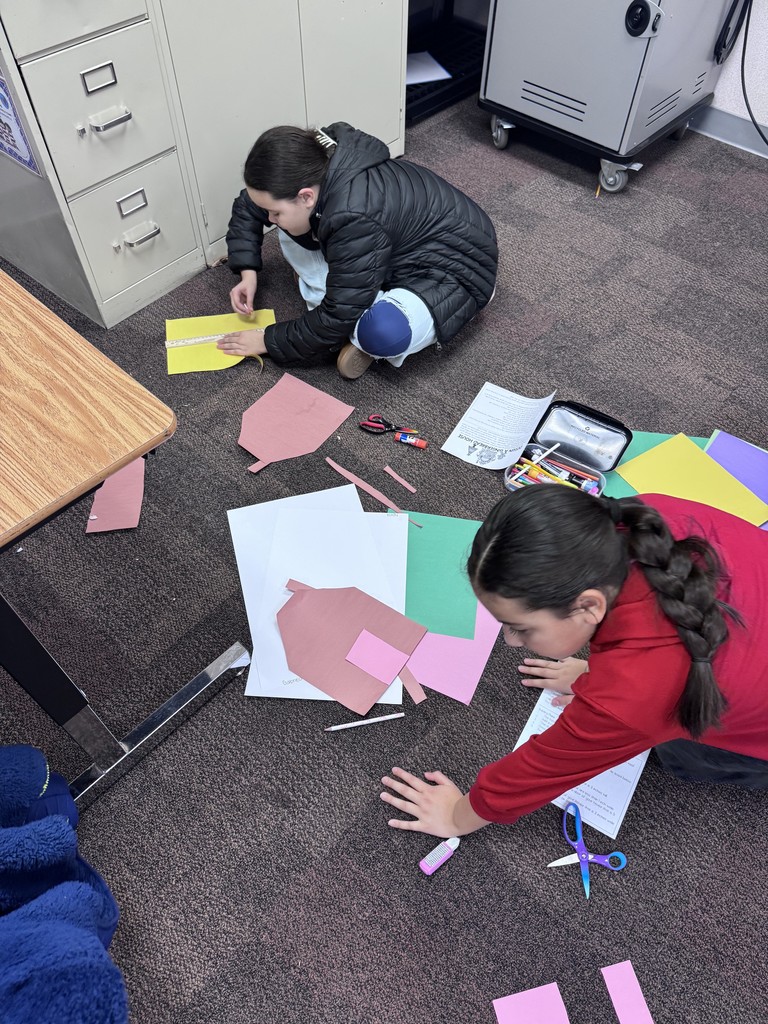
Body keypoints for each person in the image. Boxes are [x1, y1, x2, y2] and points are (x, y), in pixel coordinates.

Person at [380, 487, 768, 838]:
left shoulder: (632, 698)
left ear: (589, 605)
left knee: (686, 753)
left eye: (521, 628)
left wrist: (457, 817)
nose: (511, 642)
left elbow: (541, 770)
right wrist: (598, 674)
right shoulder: (643, 515)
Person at [218, 123, 498, 379]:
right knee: (290, 227)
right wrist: (248, 273)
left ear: (306, 196)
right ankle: (352, 295)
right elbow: (248, 205)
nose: (269, 216)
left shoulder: (353, 216)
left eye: (274, 211)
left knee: (381, 333)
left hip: (455, 267)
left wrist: (267, 340)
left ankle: (354, 315)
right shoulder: (310, 164)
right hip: (391, 246)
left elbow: (337, 315)